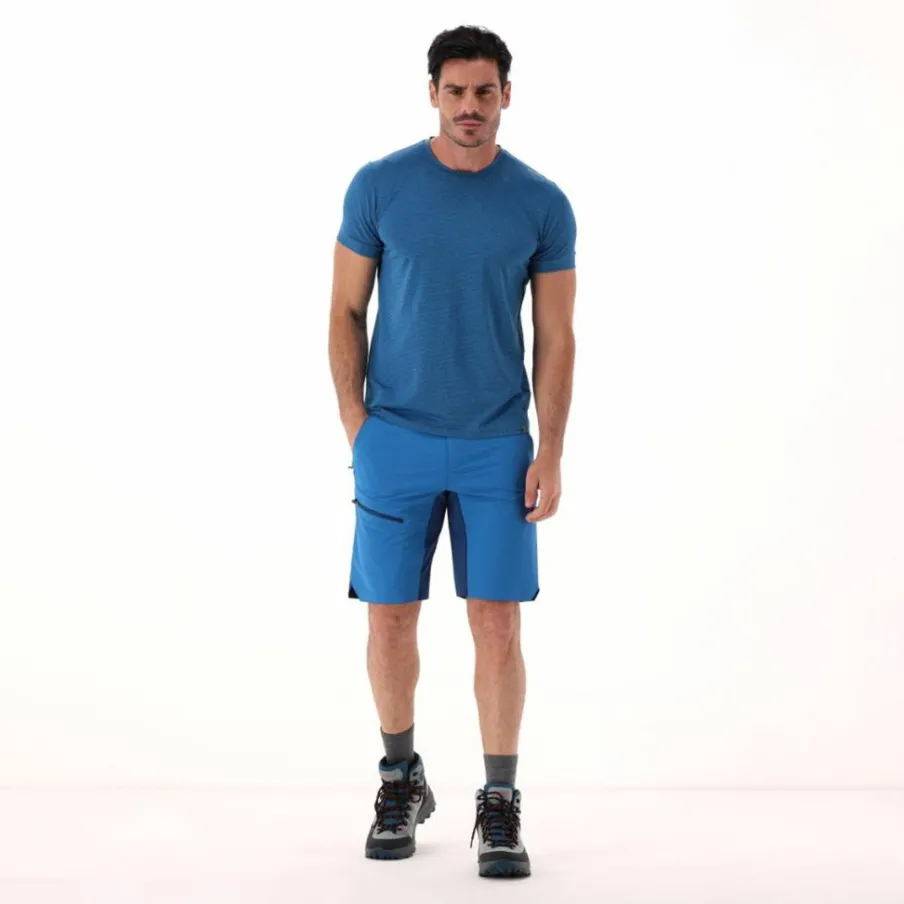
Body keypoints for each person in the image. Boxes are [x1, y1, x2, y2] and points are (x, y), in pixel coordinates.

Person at [328, 24, 576, 879]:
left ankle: (499, 802)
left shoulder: (541, 202)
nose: (470, 106)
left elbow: (556, 336)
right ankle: (400, 778)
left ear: (507, 95)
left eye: (485, 92)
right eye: (456, 91)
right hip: (393, 440)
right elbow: (344, 310)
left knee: (497, 621)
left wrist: (551, 448)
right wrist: (358, 427)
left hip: (495, 446)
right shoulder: (380, 186)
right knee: (389, 616)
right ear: (432, 92)